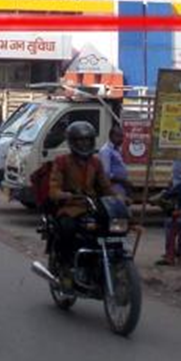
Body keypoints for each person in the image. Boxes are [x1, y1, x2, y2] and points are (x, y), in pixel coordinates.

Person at [47, 121, 114, 282]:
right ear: (72, 142)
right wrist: (62, 194)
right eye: (80, 140)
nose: (84, 144)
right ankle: (65, 266)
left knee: (112, 227)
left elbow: (105, 187)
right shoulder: (62, 161)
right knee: (67, 228)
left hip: (92, 207)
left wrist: (118, 199)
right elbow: (54, 186)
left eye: (87, 140)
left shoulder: (95, 162)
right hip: (70, 207)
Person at [98, 125, 131, 198]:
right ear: (110, 136)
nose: (121, 139)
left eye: (122, 136)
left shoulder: (116, 149)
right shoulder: (106, 151)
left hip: (121, 185)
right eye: (118, 136)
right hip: (113, 186)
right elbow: (106, 174)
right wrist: (122, 180)